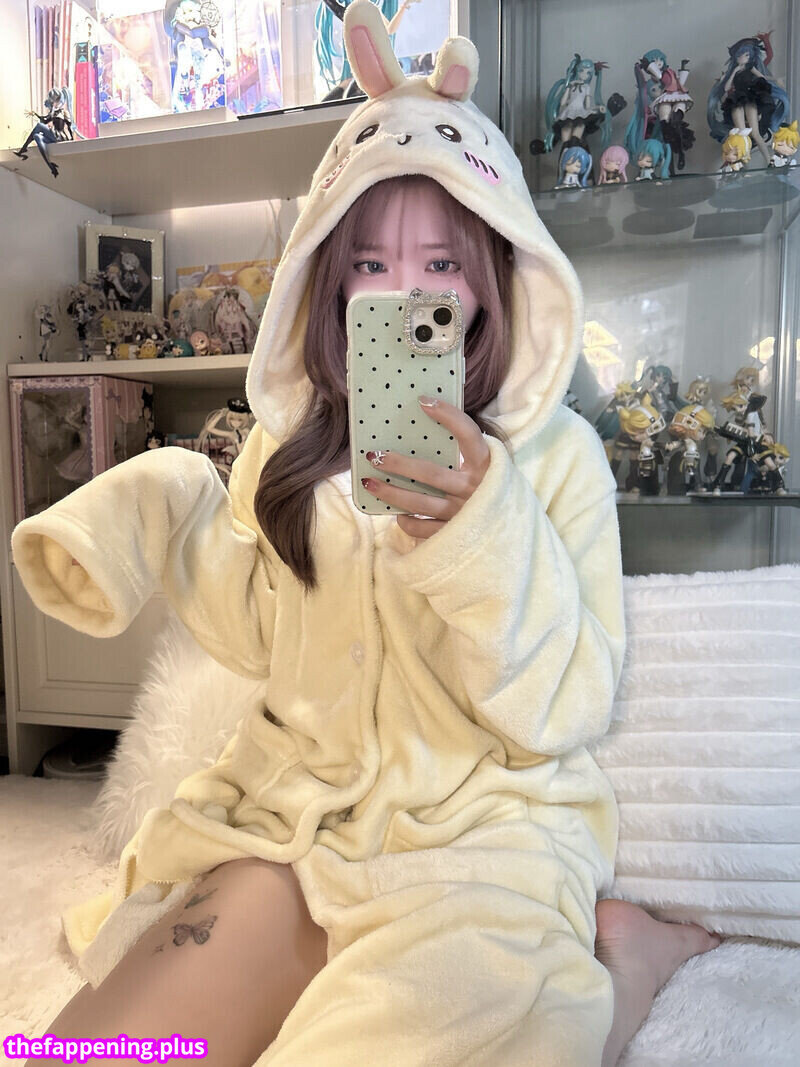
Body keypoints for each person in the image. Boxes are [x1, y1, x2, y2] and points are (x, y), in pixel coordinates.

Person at [12, 3, 721, 1065]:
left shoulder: (556, 460)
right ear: (326, 277)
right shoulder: (284, 445)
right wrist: (165, 503)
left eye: (441, 265)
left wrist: (482, 531)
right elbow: (255, 632)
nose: (404, 296)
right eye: (369, 265)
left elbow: (563, 709)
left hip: (476, 832)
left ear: (492, 279)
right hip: (293, 813)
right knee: (97, 1052)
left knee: (519, 1033)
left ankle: (628, 967)